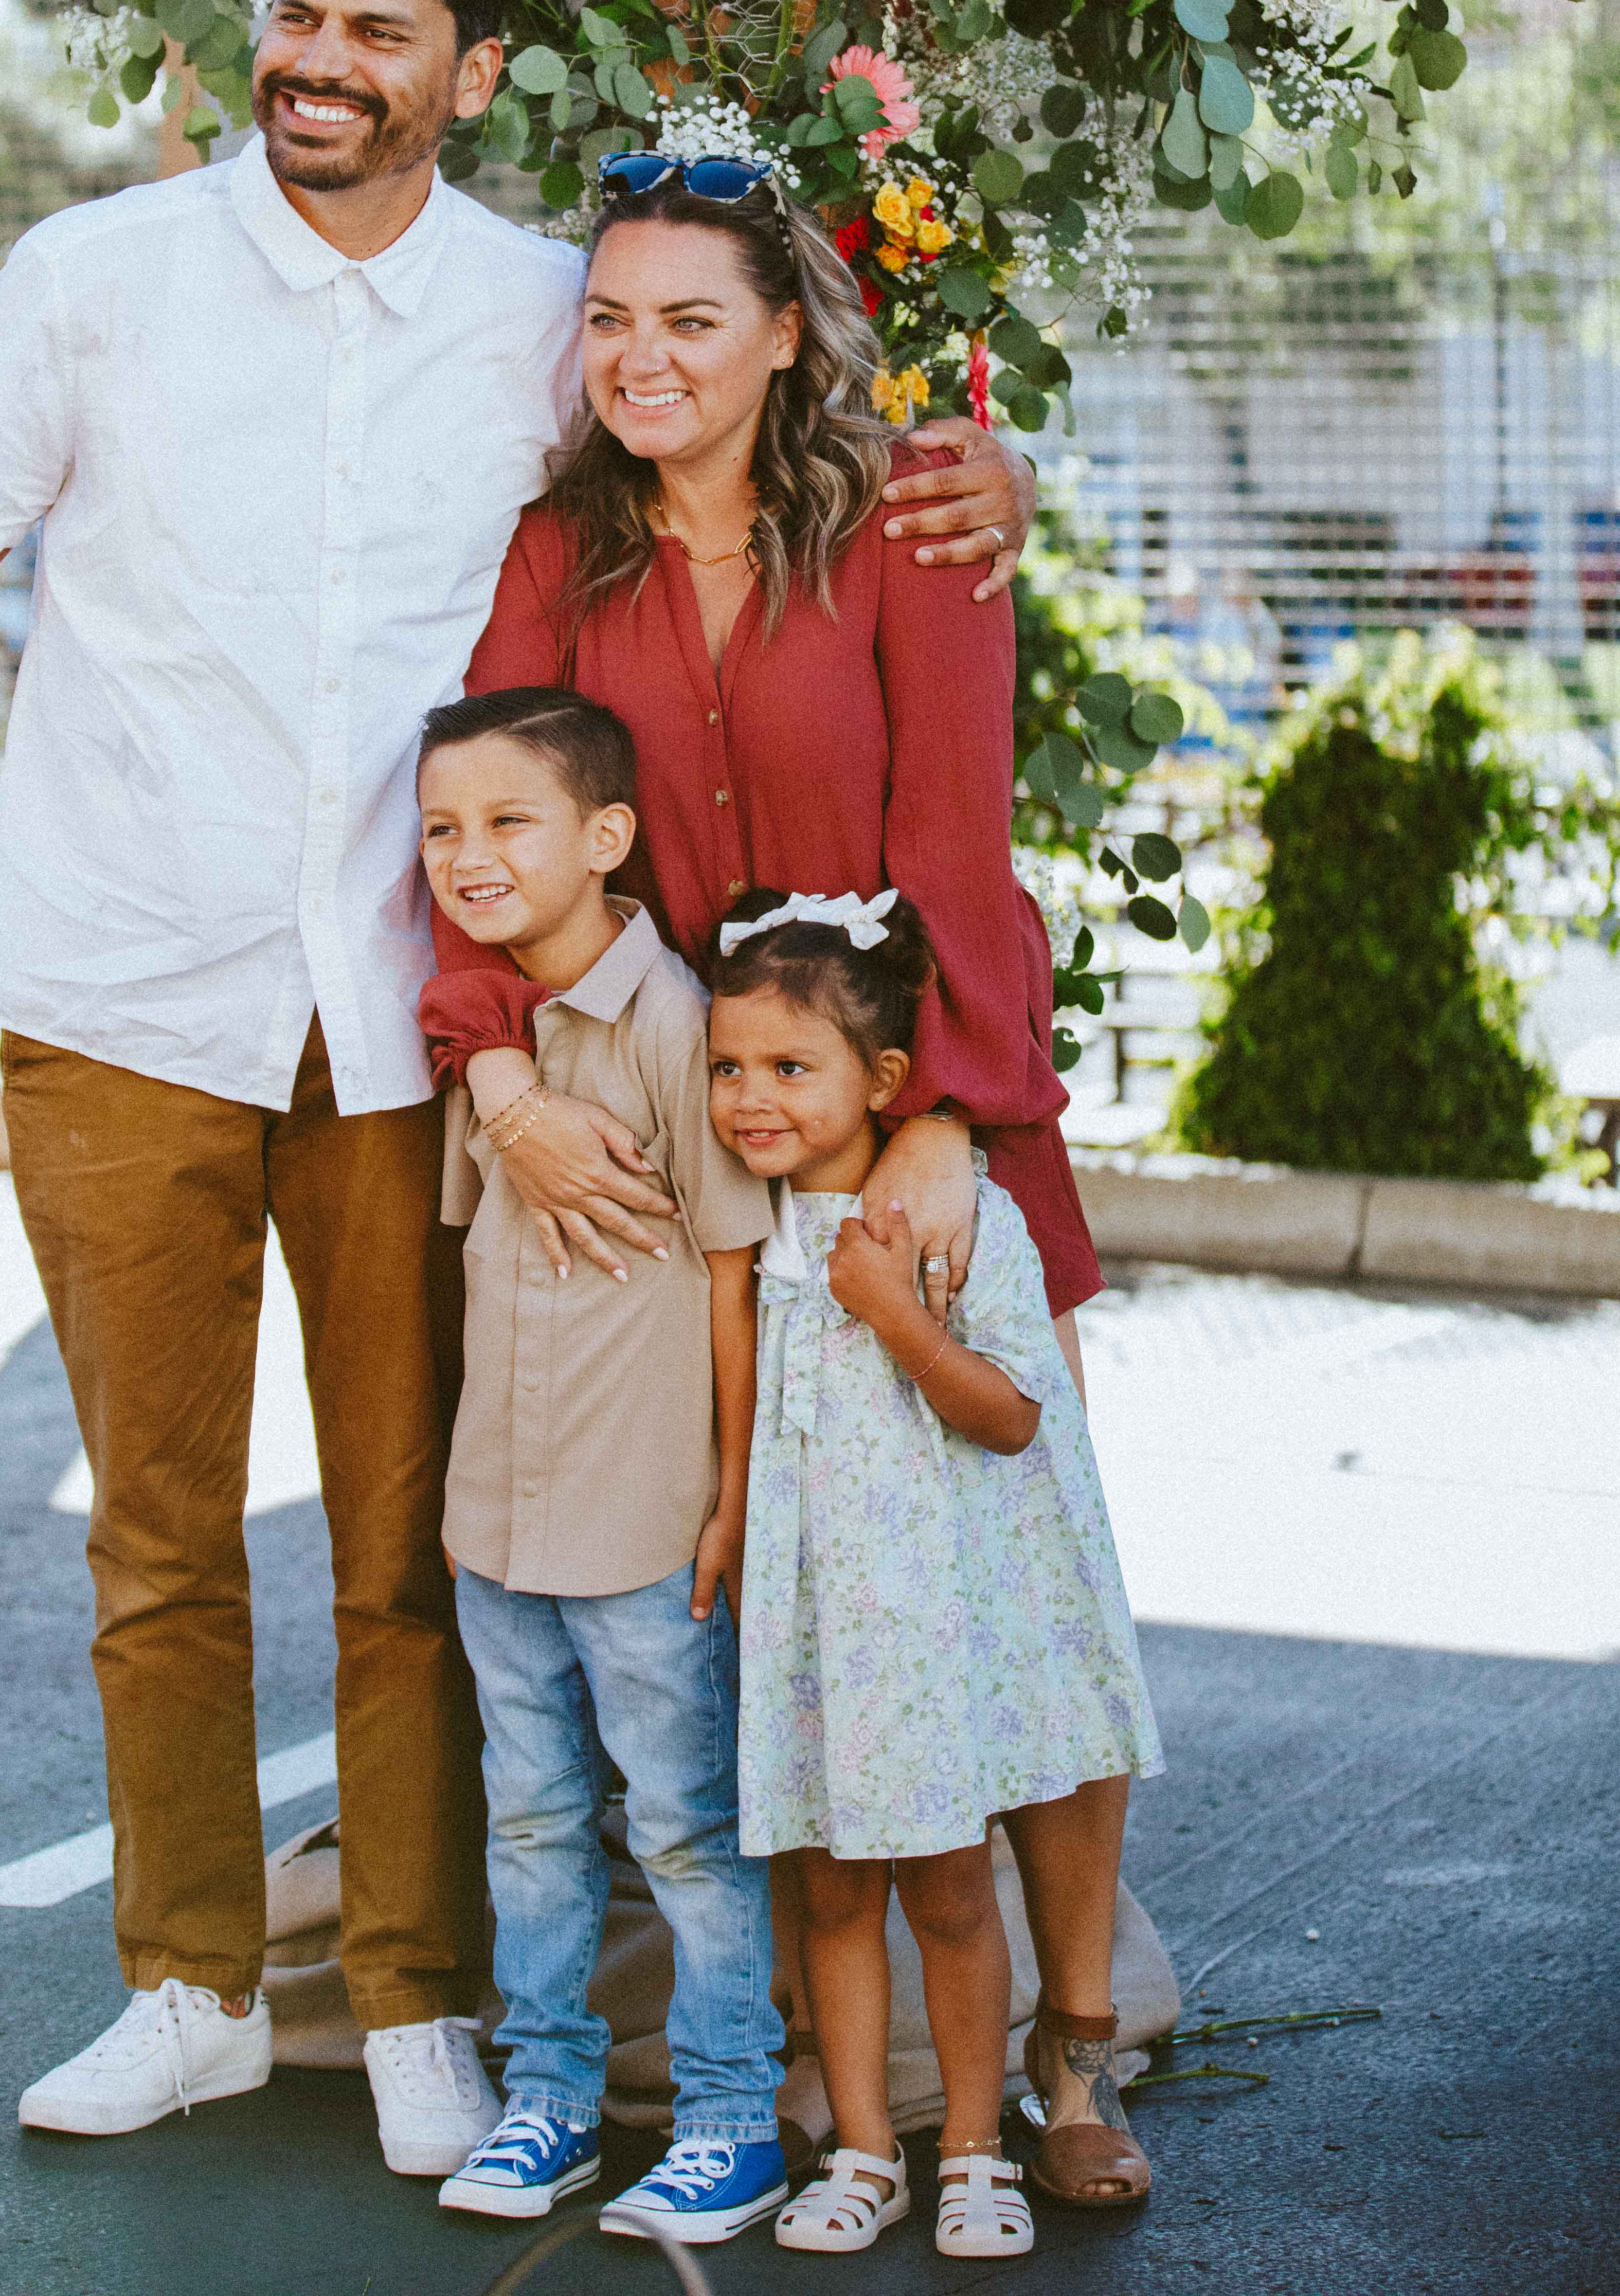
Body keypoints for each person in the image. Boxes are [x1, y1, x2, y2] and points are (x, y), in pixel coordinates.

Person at [0, 0, 1035, 2170]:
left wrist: (989, 476)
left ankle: (415, 2002)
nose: (321, 60)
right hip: (120, 1004)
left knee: (416, 1541)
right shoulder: (90, 280)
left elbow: (733, 435)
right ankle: (187, 1981)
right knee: (159, 1531)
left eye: (381, 27)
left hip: (409, 1026)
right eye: (301, 15)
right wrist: (16, 913)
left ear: (470, 69)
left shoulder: (538, 316)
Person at [421, 158, 1156, 2209]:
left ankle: (1077, 2065)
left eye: (688, 320)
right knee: (804, 1616)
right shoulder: (556, 556)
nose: (641, 358)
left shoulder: (917, 521)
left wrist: (954, 1114)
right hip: (690, 1158)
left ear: (778, 334)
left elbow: (958, 830)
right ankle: (844, 2084)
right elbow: (481, 809)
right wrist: (491, 1080)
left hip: (933, 1122)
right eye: (609, 320)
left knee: (1028, 1607)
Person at [708, 889, 1161, 2261]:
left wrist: (899, 1318)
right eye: (728, 1068)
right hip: (815, 1637)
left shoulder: (960, 1228)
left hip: (933, 1643)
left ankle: (973, 2147)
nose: (751, 1098)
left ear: (885, 1082)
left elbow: (1016, 1415)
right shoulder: (758, 1237)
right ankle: (864, 2149)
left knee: (953, 1889)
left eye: (791, 1069)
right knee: (832, 1895)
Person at [413, 688, 785, 2245]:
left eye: (508, 822)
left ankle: (731, 2117)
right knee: (533, 1817)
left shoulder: (680, 1026)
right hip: (497, 1514)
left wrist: (731, 1496)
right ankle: (549, 2101)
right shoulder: (483, 1040)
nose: (467, 856)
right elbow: (466, 1248)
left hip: (643, 1519)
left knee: (688, 1828)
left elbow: (730, 1272)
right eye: (441, 829)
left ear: (608, 838)